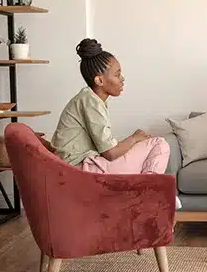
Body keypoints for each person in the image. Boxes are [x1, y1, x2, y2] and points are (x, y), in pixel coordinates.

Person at [51, 38, 181, 209]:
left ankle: (147, 190)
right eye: (117, 74)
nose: (122, 79)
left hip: (87, 165)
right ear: (99, 80)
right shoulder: (91, 101)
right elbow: (110, 153)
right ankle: (150, 192)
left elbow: (106, 148)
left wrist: (134, 141)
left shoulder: (90, 99)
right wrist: (134, 138)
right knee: (159, 144)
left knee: (149, 148)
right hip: (83, 170)